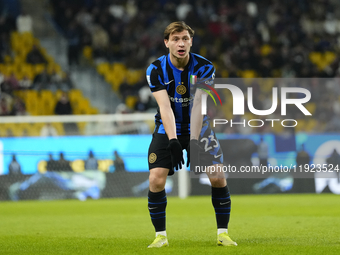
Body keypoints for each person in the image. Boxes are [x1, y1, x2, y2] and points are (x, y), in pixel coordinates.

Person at [145, 21, 237, 248]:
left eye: (185, 38)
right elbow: (165, 108)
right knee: (156, 179)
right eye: (175, 39)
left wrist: (194, 142)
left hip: (199, 127)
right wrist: (174, 140)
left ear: (191, 42)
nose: (181, 43)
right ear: (166, 43)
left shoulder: (205, 67)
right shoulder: (155, 70)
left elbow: (198, 105)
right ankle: (161, 236)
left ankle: (223, 233)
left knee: (217, 175)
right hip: (166, 129)